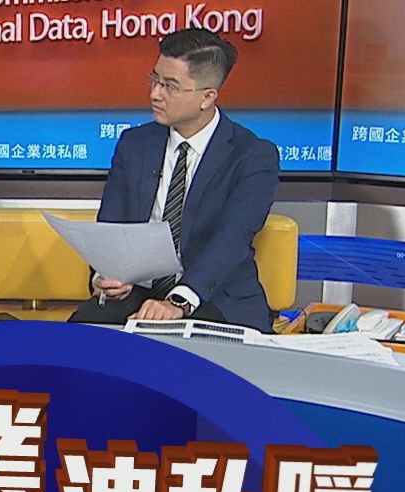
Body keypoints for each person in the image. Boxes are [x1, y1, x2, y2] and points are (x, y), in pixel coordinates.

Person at [70, 28, 280, 332]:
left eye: (170, 86)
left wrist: (178, 302)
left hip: (213, 297)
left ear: (207, 97)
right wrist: (104, 276)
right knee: (75, 339)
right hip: (137, 292)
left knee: (184, 349)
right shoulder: (134, 144)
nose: (155, 94)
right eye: (155, 79)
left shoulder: (253, 156)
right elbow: (111, 226)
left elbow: (232, 239)